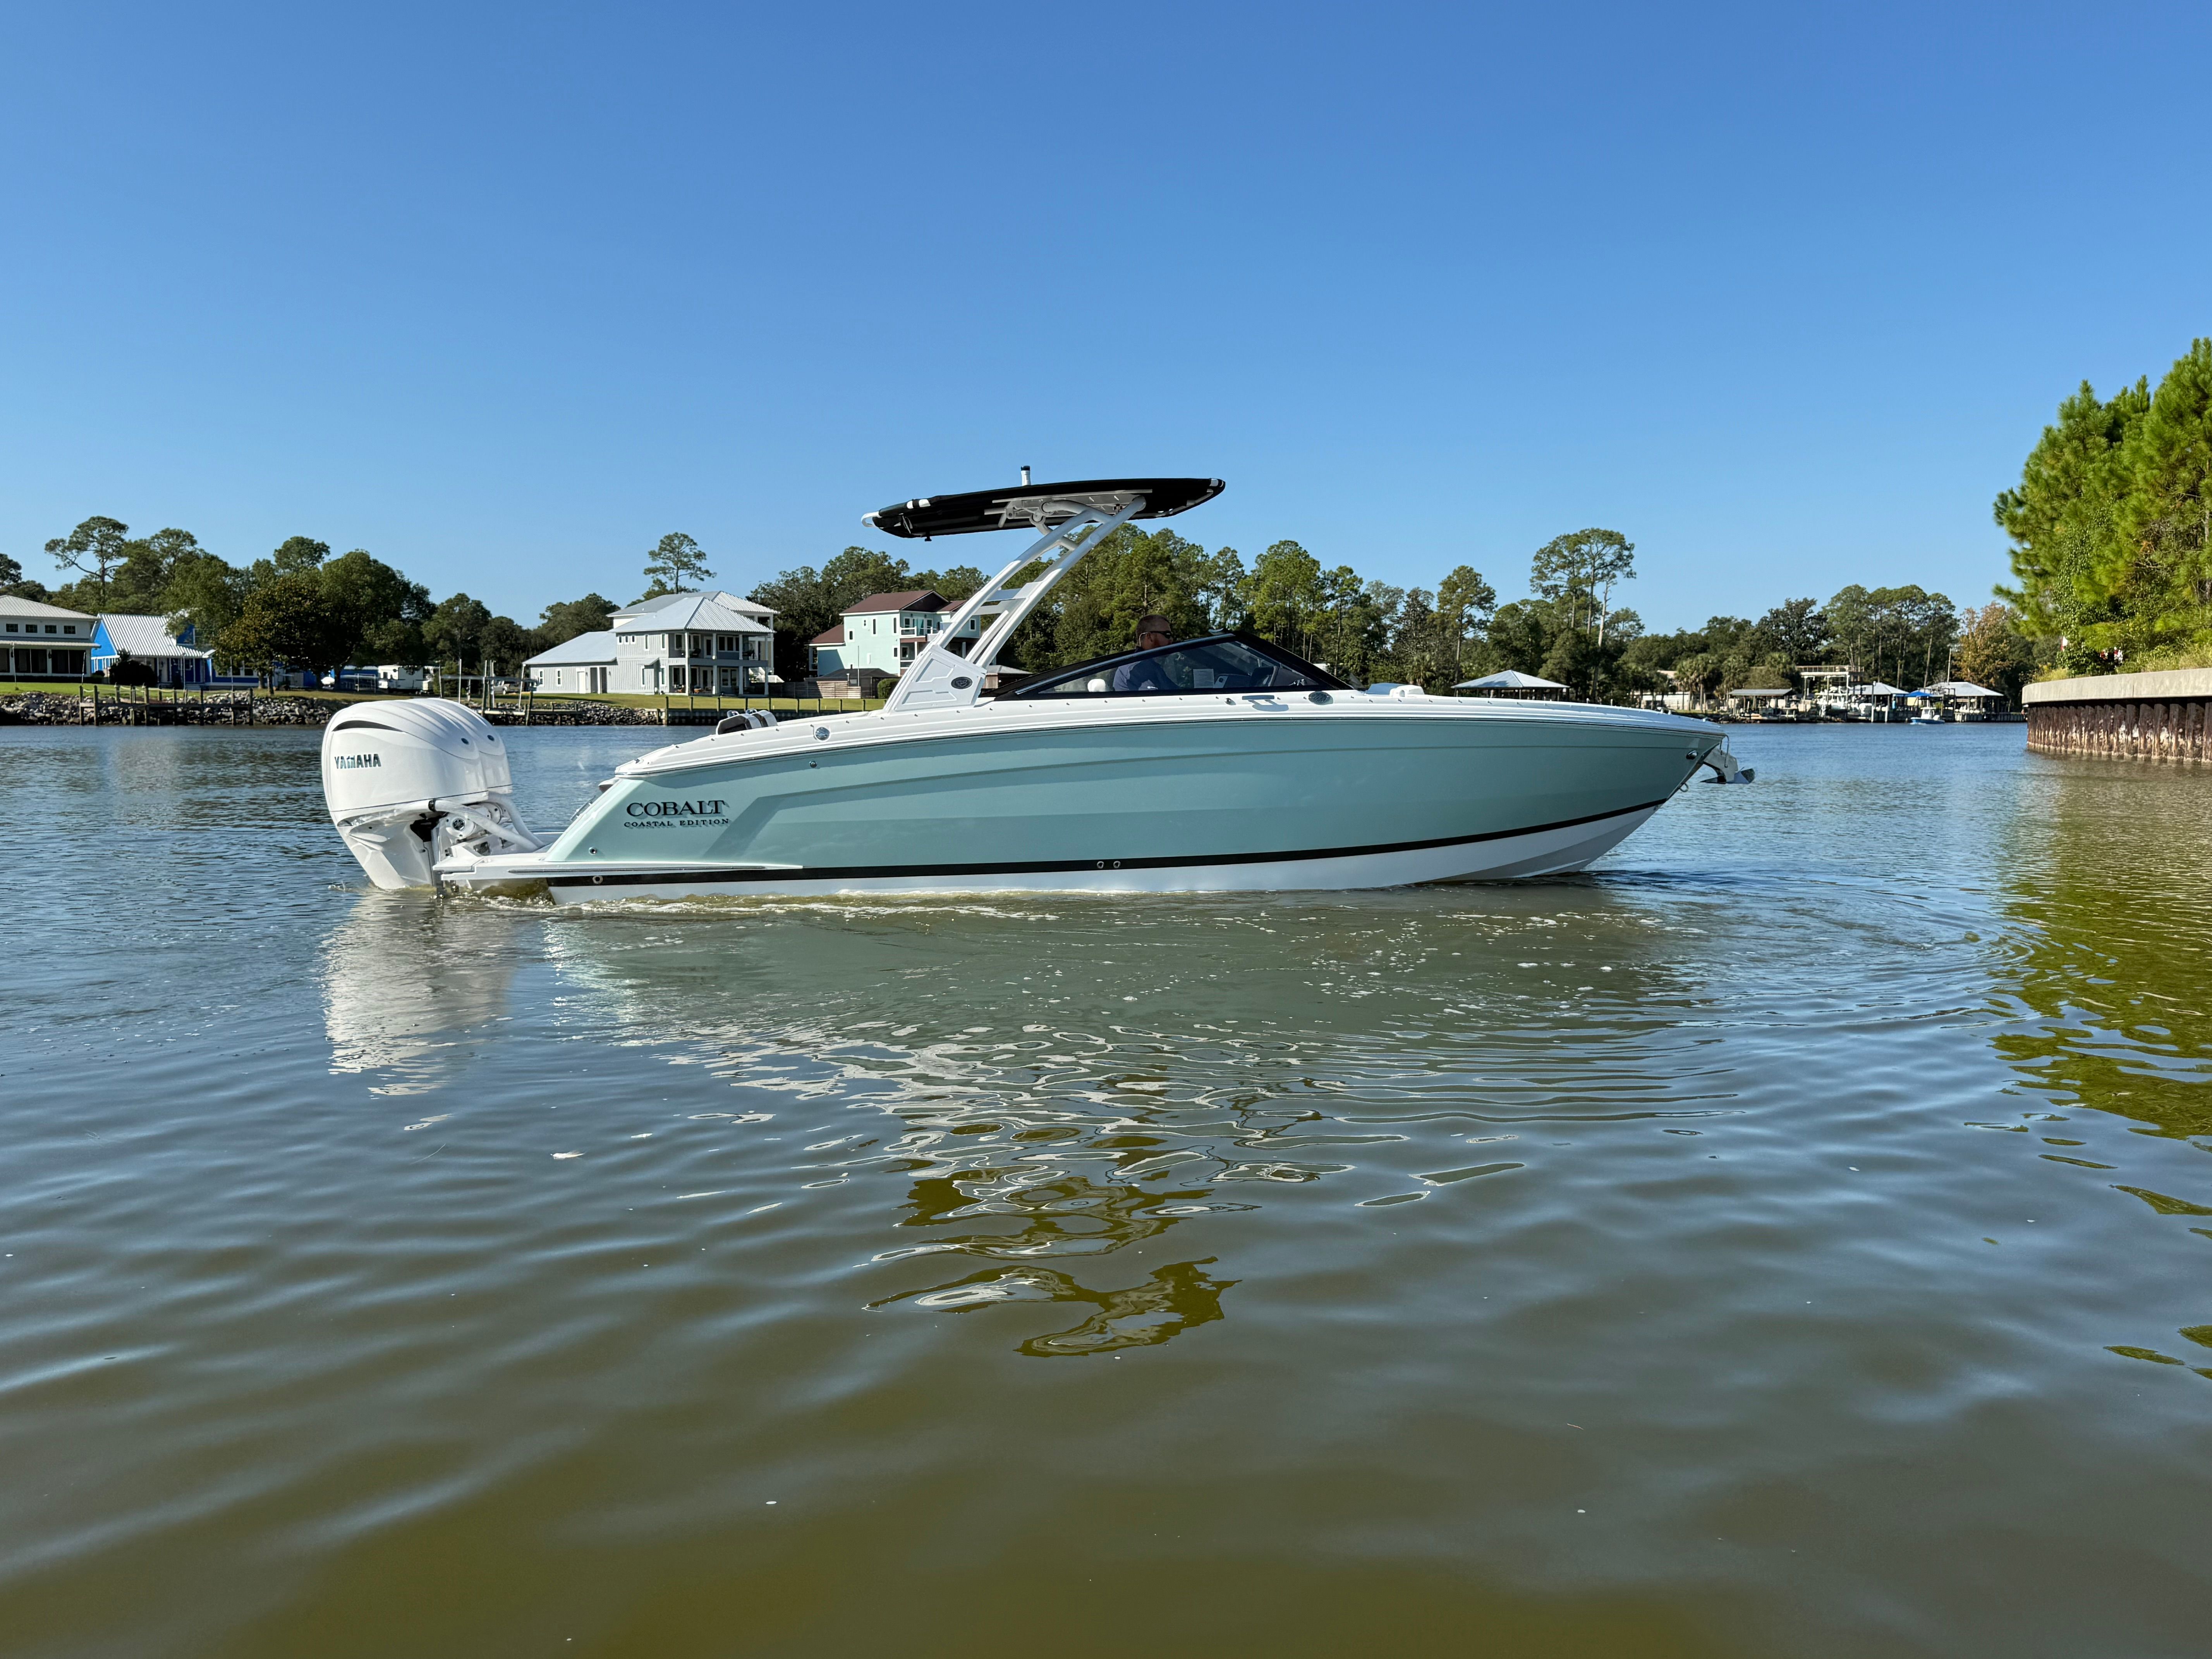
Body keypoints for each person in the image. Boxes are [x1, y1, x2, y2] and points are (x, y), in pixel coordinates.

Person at [1112, 615, 1179, 692]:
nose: (1171, 639)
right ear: (1150, 637)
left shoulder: (1153, 667)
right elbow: (1155, 700)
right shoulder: (1136, 668)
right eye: (1167, 635)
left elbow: (1176, 692)